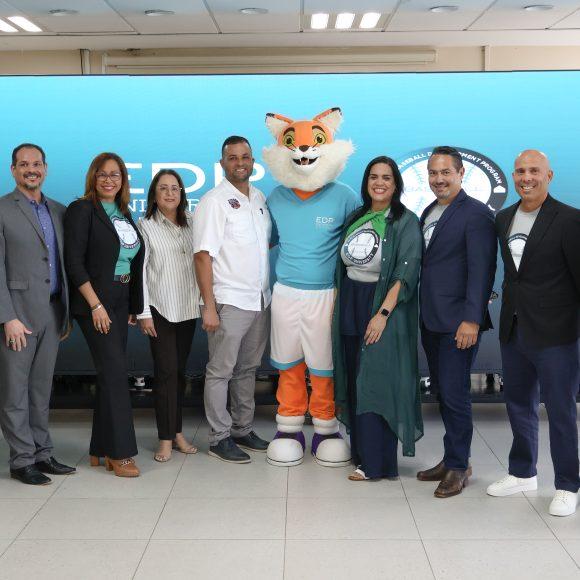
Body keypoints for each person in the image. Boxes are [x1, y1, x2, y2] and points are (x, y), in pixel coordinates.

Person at [487, 150, 580, 517]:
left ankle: (568, 485)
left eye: (534, 171)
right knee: (518, 403)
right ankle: (523, 472)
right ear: (513, 176)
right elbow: (515, 276)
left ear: (549, 175)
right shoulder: (503, 217)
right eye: (520, 171)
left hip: (556, 333)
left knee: (560, 409)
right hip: (514, 327)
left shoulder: (569, 219)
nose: (526, 177)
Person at [332, 156, 423, 481]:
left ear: (396, 184)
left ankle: (377, 463)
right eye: (374, 177)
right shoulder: (357, 216)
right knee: (355, 376)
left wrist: (382, 314)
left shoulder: (405, 221)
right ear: (366, 182)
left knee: (375, 381)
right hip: (351, 303)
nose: (379, 183)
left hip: (382, 306)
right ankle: (361, 454)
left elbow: (405, 272)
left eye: (386, 177)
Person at [417, 146, 496, 498]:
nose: (439, 179)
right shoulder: (429, 211)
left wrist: (472, 320)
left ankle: (459, 467)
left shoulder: (476, 214)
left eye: (445, 172)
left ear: (461, 173)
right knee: (444, 393)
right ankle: (451, 459)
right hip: (431, 319)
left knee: (455, 394)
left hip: (459, 324)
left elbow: (483, 270)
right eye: (433, 173)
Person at [64, 152, 144, 478]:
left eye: (115, 175)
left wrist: (133, 305)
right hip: (95, 301)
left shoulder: (124, 214)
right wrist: (96, 305)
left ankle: (99, 448)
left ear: (123, 180)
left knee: (110, 373)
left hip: (120, 301)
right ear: (93, 178)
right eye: (102, 174)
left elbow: (132, 262)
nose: (109, 180)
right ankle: (120, 454)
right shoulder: (82, 210)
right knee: (115, 374)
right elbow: (74, 262)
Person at [0, 143, 75, 485]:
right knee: (14, 391)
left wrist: (66, 312)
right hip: (17, 316)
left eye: (37, 164)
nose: (31, 169)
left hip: (52, 311)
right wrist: (8, 317)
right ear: (13, 170)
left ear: (45, 168)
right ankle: (22, 460)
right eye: (24, 164)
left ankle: (43, 453)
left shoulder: (58, 210)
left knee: (40, 390)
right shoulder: (3, 209)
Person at [193, 136, 271, 463]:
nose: (240, 163)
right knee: (220, 371)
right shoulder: (214, 201)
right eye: (233, 157)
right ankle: (219, 437)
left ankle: (242, 428)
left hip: (259, 299)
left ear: (253, 161)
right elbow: (202, 256)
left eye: (245, 157)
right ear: (222, 163)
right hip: (229, 300)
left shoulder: (259, 198)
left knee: (248, 369)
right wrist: (209, 306)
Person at [137, 169, 201, 462]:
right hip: (159, 309)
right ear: (154, 194)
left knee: (178, 373)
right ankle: (164, 438)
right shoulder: (145, 226)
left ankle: (177, 433)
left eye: (175, 188)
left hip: (187, 307)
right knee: (165, 373)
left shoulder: (192, 223)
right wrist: (143, 312)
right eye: (163, 188)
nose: (170, 193)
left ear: (181, 193)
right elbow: (140, 272)